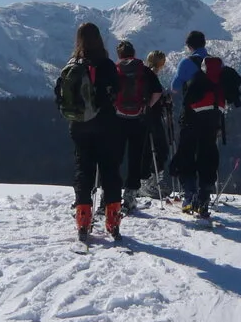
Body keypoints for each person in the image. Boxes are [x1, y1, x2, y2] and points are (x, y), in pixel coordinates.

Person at [55, 22, 124, 241]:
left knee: (83, 169)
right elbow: (117, 90)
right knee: (110, 170)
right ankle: (113, 221)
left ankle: (83, 220)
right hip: (106, 123)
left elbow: (59, 95)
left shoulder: (72, 65)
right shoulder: (107, 65)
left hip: (79, 125)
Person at [169, 30, 226, 218]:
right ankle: (204, 198)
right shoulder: (216, 63)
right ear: (204, 43)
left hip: (192, 115)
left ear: (189, 46)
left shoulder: (187, 62)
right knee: (207, 153)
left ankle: (190, 194)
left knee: (186, 153)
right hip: (214, 115)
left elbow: (175, 87)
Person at [113, 40, 163, 213]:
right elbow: (158, 91)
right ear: (133, 53)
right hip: (139, 119)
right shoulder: (144, 70)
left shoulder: (114, 69)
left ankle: (110, 196)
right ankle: (130, 197)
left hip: (117, 119)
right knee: (135, 158)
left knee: (114, 157)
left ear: (119, 55)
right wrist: (146, 106)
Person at [138, 50, 172, 199]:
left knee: (146, 148)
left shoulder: (143, 74)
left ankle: (145, 181)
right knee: (160, 148)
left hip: (142, 116)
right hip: (152, 116)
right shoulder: (152, 75)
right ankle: (153, 181)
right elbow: (157, 93)